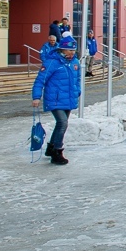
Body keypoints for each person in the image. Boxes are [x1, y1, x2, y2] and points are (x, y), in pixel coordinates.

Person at [31, 34, 81, 165]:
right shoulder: (52, 62)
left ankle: (51, 147)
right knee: (62, 123)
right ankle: (57, 152)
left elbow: (78, 79)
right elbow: (40, 80)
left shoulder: (75, 63)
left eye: (73, 50)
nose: (72, 53)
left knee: (61, 124)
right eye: (69, 50)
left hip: (69, 98)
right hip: (55, 98)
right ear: (62, 49)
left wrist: (77, 91)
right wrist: (36, 97)